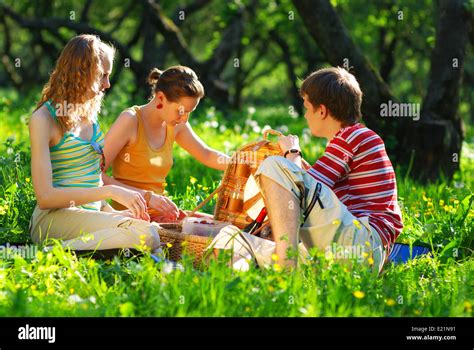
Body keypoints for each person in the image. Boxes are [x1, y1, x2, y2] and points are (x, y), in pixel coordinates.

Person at [254, 67, 403, 273]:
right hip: (354, 249)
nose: (306, 116)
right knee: (256, 251)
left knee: (273, 166)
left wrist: (292, 152)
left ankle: (286, 269)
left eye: (307, 108)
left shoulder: (352, 136)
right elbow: (311, 188)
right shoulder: (353, 138)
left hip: (362, 243)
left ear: (322, 111)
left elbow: (301, 188)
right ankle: (280, 262)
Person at [29, 34, 161, 253]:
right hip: (52, 221)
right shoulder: (43, 120)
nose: (107, 84)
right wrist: (110, 192)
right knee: (146, 235)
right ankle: (49, 253)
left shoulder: (89, 116)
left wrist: (115, 215)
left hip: (86, 217)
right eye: (102, 76)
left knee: (149, 231)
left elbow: (91, 181)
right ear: (80, 72)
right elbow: (45, 198)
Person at [102, 66, 230, 222]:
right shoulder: (130, 120)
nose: (185, 119)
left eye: (190, 112)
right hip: (130, 218)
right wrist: (148, 198)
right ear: (161, 98)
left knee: (226, 228)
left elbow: (206, 154)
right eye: (181, 111)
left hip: (163, 215)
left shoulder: (175, 124)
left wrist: (243, 164)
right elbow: (95, 175)